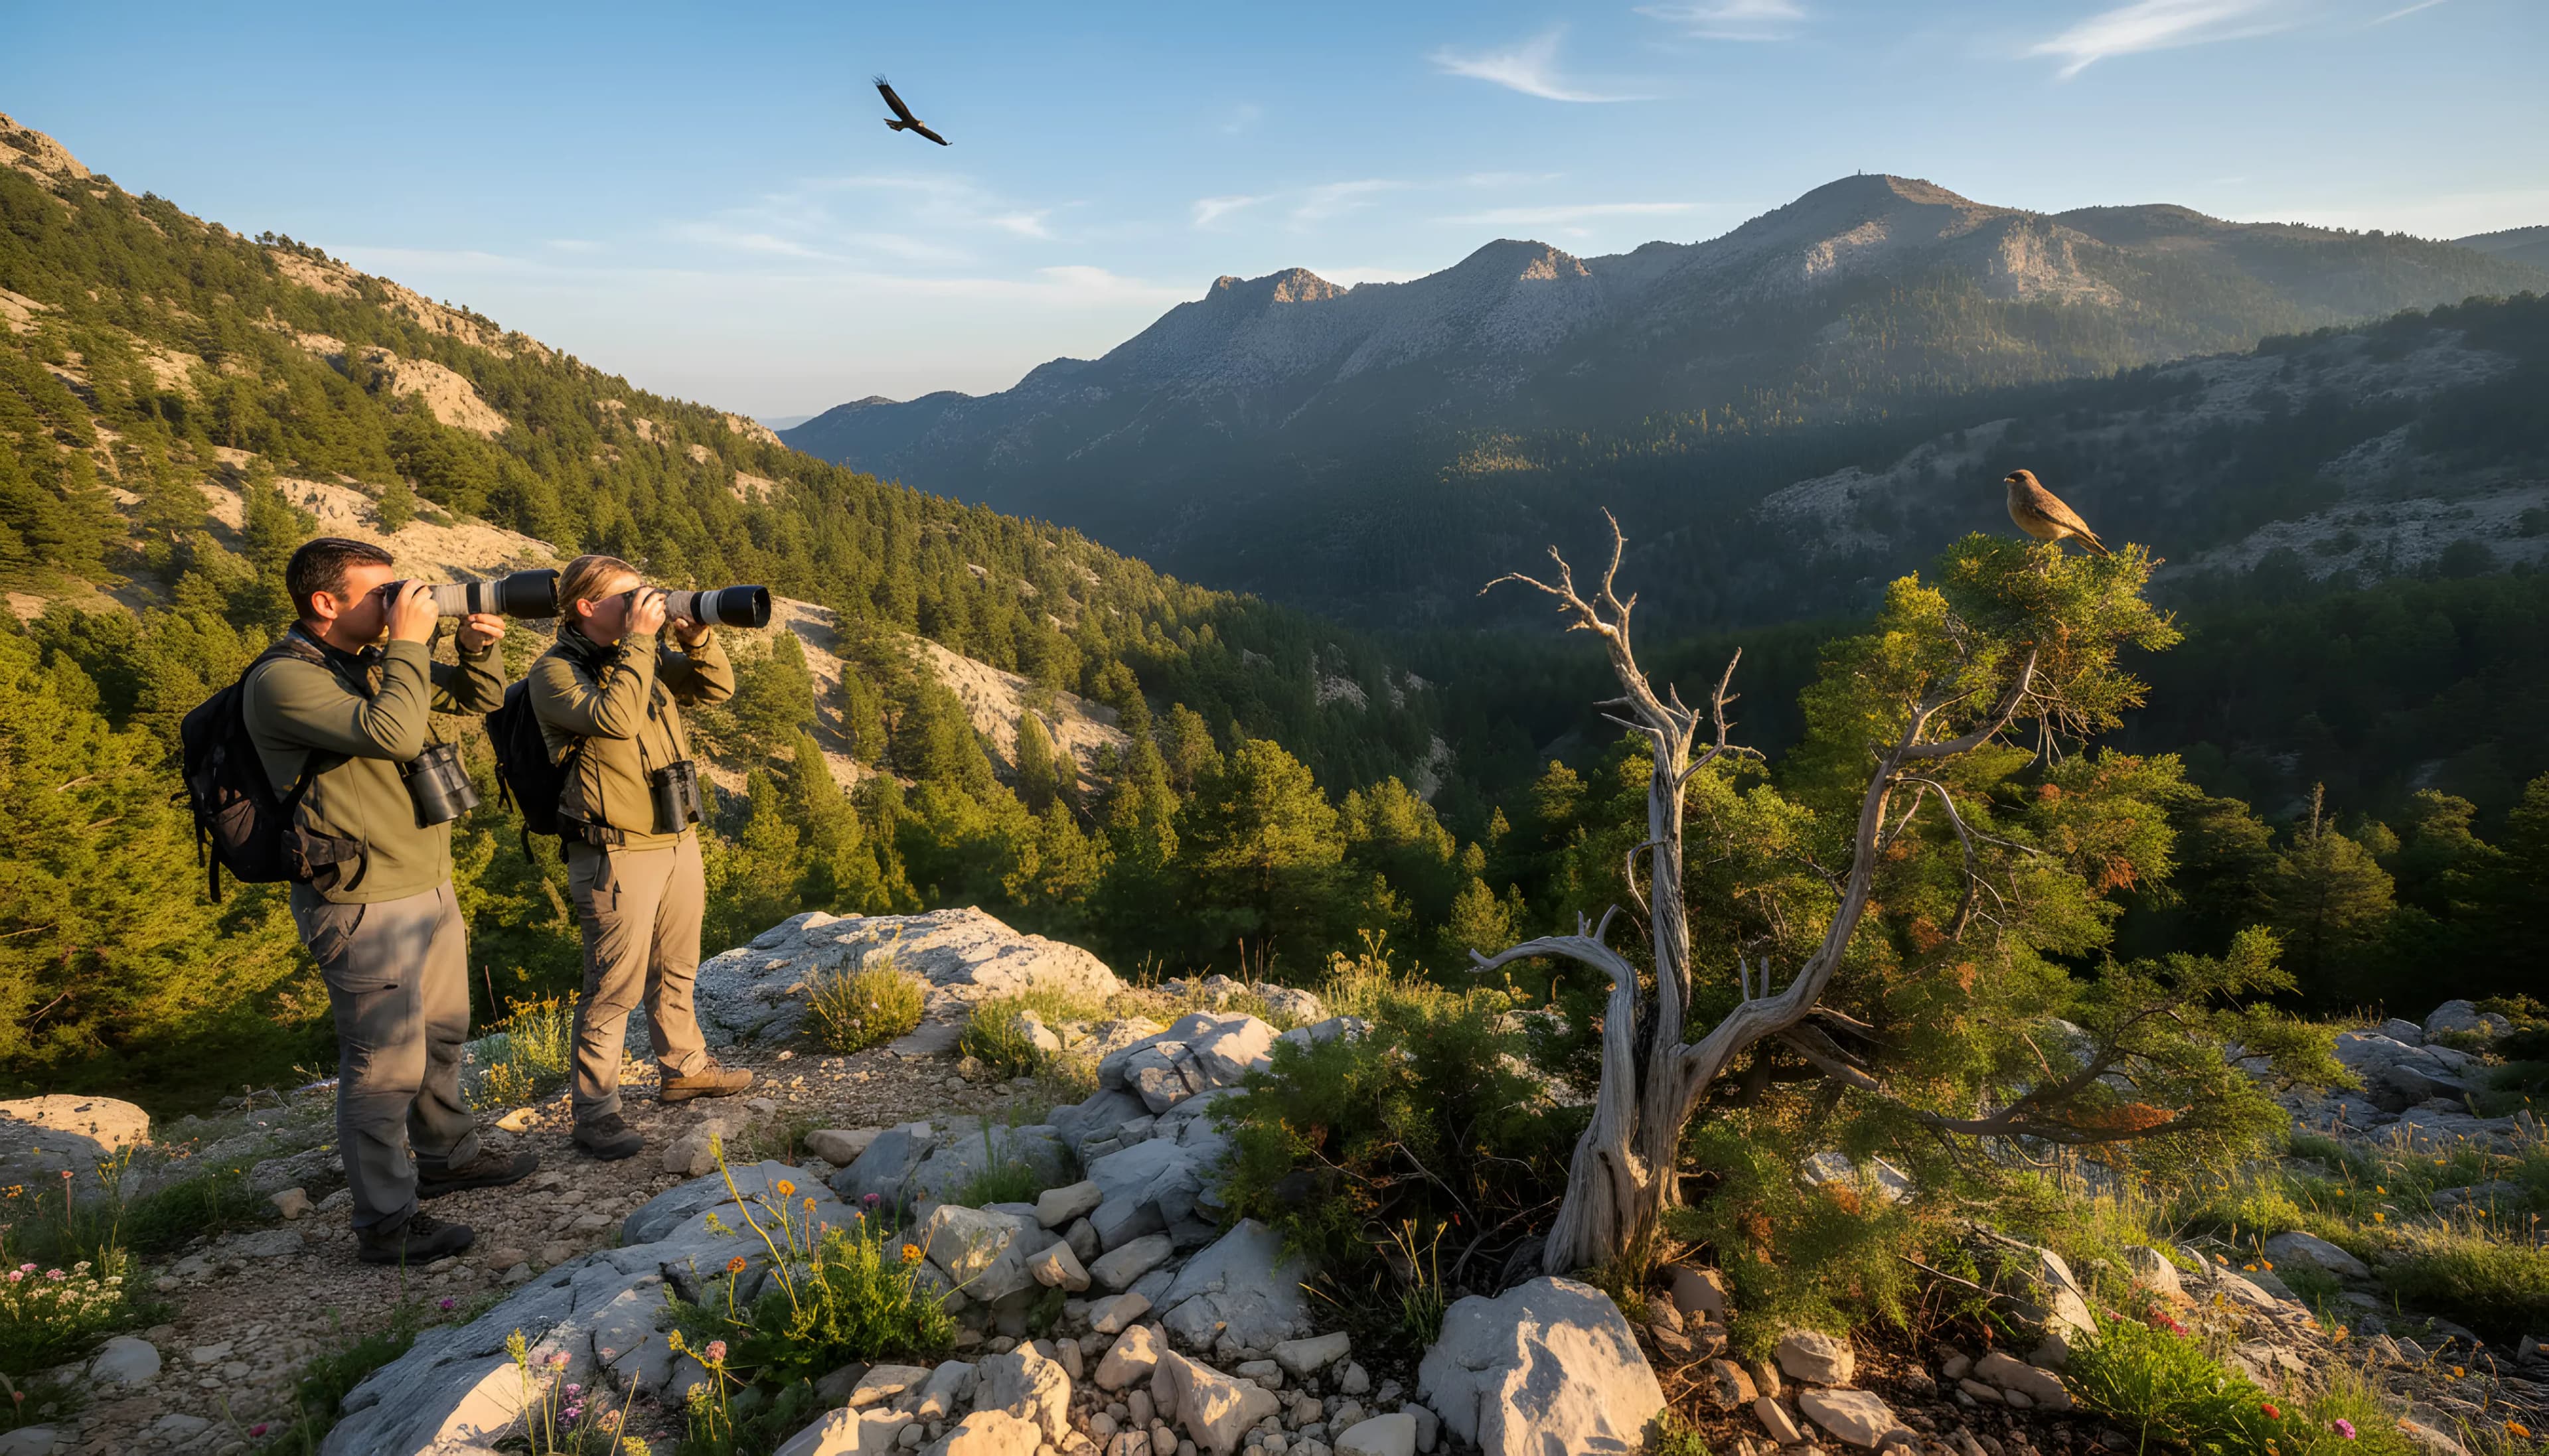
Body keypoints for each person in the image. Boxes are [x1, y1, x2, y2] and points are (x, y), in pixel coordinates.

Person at [244, 537, 538, 1265]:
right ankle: (384, 1220)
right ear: (325, 602)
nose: (396, 601)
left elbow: (479, 699)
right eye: (379, 592)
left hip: (426, 880)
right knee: (383, 1066)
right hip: (362, 899)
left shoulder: (368, 661)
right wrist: (408, 641)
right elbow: (397, 732)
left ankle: (447, 1156)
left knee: (442, 1034)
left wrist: (475, 651)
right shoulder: (283, 680)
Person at [528, 555, 752, 1161]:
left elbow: (715, 689)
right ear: (585, 607)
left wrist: (696, 640)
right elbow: (616, 719)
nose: (640, 604)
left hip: (676, 837)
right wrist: (642, 642)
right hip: (616, 850)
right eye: (625, 597)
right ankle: (596, 1112)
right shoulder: (556, 672)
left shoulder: (636, 657)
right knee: (613, 987)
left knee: (677, 967)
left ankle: (684, 1069)